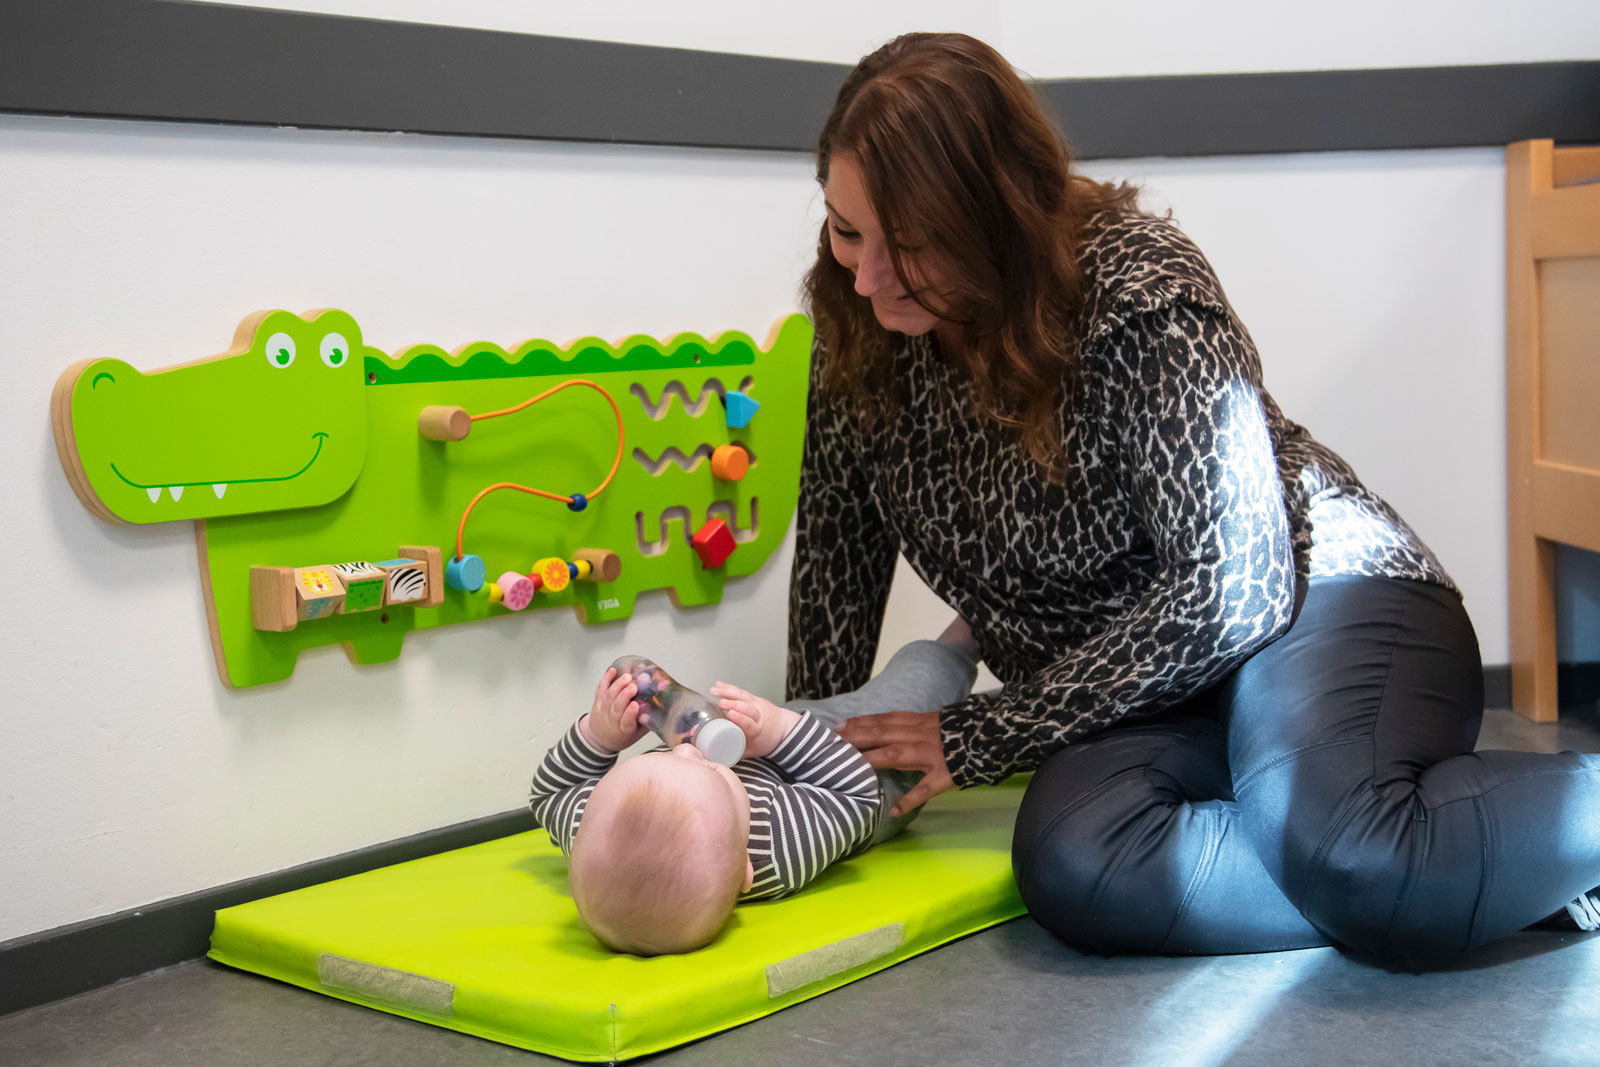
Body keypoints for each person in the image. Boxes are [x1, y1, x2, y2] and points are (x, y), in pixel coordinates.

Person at [786, 31, 1600, 970]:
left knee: (1352, 849)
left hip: (1316, 599)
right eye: (847, 230)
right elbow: (836, 570)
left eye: (912, 244)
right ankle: (1470, 869)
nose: (867, 276)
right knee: (1075, 859)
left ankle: (1415, 858)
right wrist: (788, 757)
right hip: (1148, 688)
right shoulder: (856, 324)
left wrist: (978, 735)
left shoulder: (1140, 287)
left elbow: (1233, 591)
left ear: (996, 213)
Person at [528, 623, 977, 955]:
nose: (686, 751)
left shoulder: (597, 833)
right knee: (922, 673)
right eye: (712, 773)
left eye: (661, 758)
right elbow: (857, 795)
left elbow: (549, 794)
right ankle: (970, 638)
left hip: (773, 742)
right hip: (851, 765)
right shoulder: (778, 847)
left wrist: (600, 737)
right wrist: (781, 732)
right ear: (745, 871)